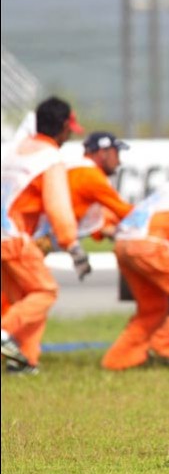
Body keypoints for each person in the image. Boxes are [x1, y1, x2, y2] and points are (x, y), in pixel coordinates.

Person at [0, 96, 90, 374]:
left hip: (6, 235)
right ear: (63, 127)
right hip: (13, 237)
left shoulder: (11, 150)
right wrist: (72, 246)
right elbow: (58, 206)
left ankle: (24, 361)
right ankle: (3, 334)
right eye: (68, 131)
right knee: (44, 292)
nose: (68, 138)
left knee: (25, 300)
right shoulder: (50, 157)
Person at [101, 176, 169, 371]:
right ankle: (163, 347)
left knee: (153, 309)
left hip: (125, 243)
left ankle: (118, 360)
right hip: (150, 245)